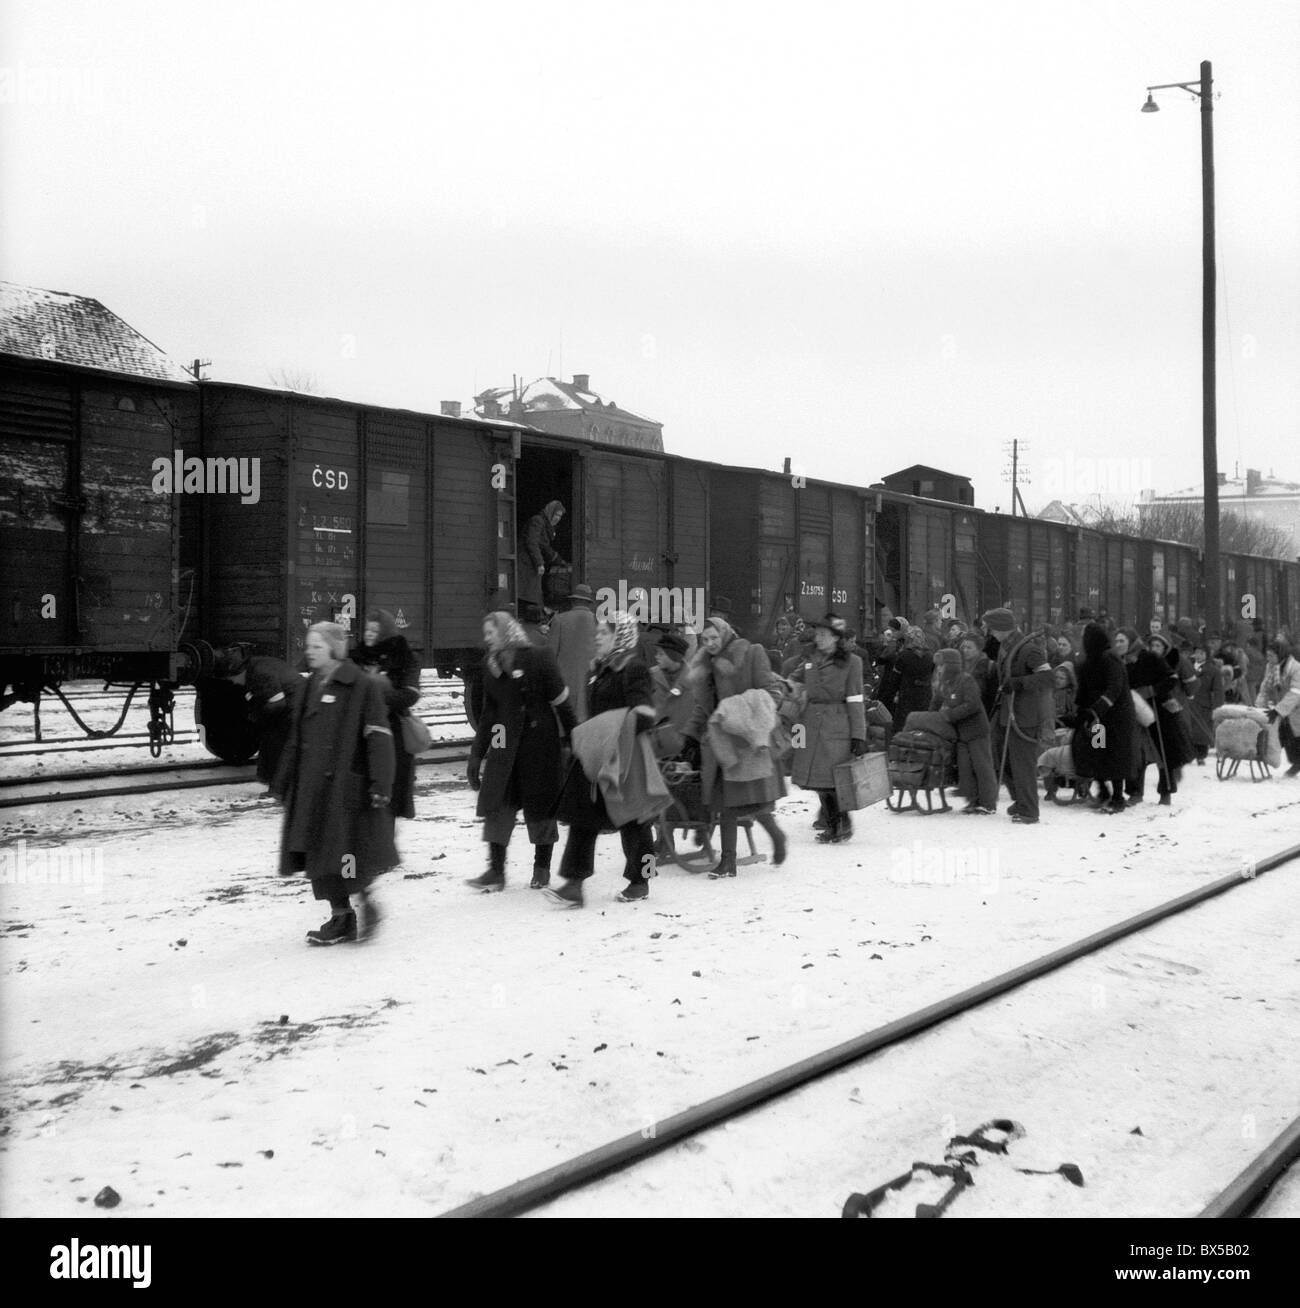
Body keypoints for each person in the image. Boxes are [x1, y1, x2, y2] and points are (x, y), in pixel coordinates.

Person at [272, 622, 396, 946]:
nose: (309, 652)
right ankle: (341, 916)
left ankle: (366, 901)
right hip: (311, 788)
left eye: (316, 646)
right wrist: (284, 781)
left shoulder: (362, 685)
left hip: (344, 788)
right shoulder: (310, 684)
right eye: (308, 646)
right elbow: (296, 738)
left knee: (346, 854)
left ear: (334, 648)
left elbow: (379, 738)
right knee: (317, 856)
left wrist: (380, 784)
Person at [546, 612, 668, 907]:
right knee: (582, 818)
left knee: (636, 822)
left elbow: (646, 714)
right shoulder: (600, 670)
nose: (597, 637)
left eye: (604, 632)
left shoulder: (633, 668)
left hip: (627, 760)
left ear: (620, 635)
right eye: (598, 632)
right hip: (599, 756)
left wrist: (609, 729)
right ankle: (573, 885)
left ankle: (642, 882)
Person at [465, 611, 575, 892]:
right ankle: (496, 870)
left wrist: (575, 741)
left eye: (491, 632)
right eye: (486, 633)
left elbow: (562, 702)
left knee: (541, 810)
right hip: (503, 747)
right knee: (497, 808)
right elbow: (489, 714)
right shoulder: (490, 666)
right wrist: (476, 755)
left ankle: (541, 868)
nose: (487, 638)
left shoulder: (539, 658)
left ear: (505, 632)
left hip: (539, 745)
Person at [681, 615, 787, 878]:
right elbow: (705, 706)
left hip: (750, 740)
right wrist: (691, 735)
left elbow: (772, 692)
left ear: (726, 633)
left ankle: (776, 836)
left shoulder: (752, 652)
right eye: (705, 640)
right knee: (724, 803)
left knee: (752, 800)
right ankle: (728, 861)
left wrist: (742, 712)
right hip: (722, 743)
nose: (710, 643)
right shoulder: (705, 665)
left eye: (714, 638)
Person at [788, 613, 867, 844]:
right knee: (816, 780)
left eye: (824, 634)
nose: (819, 638)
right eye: (818, 634)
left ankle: (841, 823)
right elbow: (795, 679)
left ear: (835, 638)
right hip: (810, 725)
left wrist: (858, 736)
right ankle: (832, 823)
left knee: (833, 781)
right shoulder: (811, 658)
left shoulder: (853, 663)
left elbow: (855, 700)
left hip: (836, 726)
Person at [983, 607, 1054, 824]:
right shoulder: (1008, 645)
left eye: (991, 627)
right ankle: (1020, 799)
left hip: (1023, 715)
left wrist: (1019, 683)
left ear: (1001, 628)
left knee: (1022, 763)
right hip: (1007, 712)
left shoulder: (1029, 649)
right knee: (997, 755)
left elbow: (1047, 677)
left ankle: (1029, 809)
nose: (989, 631)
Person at [353, 608, 421, 821]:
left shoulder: (404, 657)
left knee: (388, 797)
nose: (369, 634)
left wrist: (379, 697)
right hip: (359, 734)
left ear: (386, 632)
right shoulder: (356, 657)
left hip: (393, 734)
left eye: (375, 630)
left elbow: (410, 695)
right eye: (367, 629)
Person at [1064, 623, 1136, 814]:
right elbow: (1085, 688)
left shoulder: (1110, 660)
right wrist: (1081, 709)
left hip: (1116, 718)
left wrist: (1095, 710)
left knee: (1115, 755)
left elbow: (1114, 688)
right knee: (1097, 751)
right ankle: (1103, 790)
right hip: (1099, 719)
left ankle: (1118, 797)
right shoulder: (1089, 662)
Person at [931, 646, 997, 814]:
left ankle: (988, 803)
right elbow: (935, 704)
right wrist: (929, 718)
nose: (939, 669)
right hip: (960, 734)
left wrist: (950, 715)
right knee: (965, 768)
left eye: (942, 665)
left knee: (982, 768)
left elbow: (972, 704)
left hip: (976, 731)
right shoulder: (944, 684)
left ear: (951, 665)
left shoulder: (966, 680)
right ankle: (973, 800)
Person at [223, 652, 303, 787]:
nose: (233, 682)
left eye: (232, 678)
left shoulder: (260, 673)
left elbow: (278, 703)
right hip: (289, 702)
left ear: (240, 672)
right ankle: (272, 781)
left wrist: (260, 717)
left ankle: (277, 786)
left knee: (276, 741)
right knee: (270, 738)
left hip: (295, 702)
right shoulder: (252, 671)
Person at [547, 582, 598, 721]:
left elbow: (550, 655)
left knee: (564, 723)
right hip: (589, 684)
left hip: (564, 683)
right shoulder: (598, 623)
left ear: (573, 601)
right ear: (588, 603)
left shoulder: (559, 620)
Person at [648, 630, 697, 760]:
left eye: (661, 654)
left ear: (673, 656)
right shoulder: (649, 676)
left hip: (685, 749)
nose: (656, 657)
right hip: (655, 746)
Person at [1255, 636, 1300, 776]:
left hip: (1296, 708)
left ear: (1280, 654)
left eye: (1271, 655)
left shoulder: (1296, 668)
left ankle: (1297, 765)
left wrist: (1279, 710)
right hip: (1284, 709)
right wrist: (1258, 707)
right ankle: (1295, 763)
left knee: (1296, 737)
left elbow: (1295, 693)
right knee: (1286, 736)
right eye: (1267, 655)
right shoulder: (1271, 667)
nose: (1268, 658)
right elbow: (1265, 688)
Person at [518, 501, 567, 610]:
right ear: (550, 512)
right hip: (527, 563)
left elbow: (545, 547)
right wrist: (539, 563)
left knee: (534, 593)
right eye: (556, 515)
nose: (558, 518)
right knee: (530, 593)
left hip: (532, 564)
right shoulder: (537, 521)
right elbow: (532, 542)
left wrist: (558, 560)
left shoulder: (546, 526)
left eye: (560, 516)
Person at [888, 625, 935, 734]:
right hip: (925, 696)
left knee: (903, 727)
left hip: (907, 696)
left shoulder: (904, 656)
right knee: (921, 726)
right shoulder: (930, 656)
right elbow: (932, 674)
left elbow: (895, 679)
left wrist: (892, 694)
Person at [1186, 640, 1224, 765]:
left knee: (1202, 732)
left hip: (1204, 705)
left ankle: (1201, 755)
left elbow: (1218, 690)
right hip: (1188, 704)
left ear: (1207, 655)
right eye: (1197, 653)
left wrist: (1217, 707)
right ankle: (1188, 754)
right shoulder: (1187, 666)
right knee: (1187, 730)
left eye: (1202, 653)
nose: (1199, 656)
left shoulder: (1213, 670)